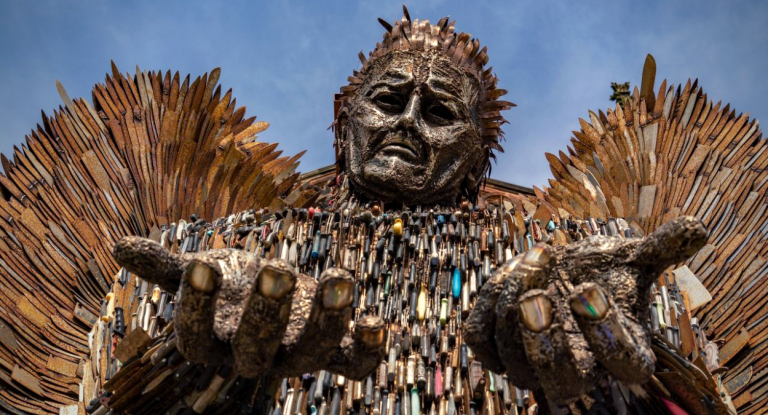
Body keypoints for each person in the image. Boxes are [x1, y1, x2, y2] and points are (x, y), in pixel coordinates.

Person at [0, 6, 758, 415]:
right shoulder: (208, 247)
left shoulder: (577, 255)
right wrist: (185, 366)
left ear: (477, 150)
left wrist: (634, 368)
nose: (407, 125)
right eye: (390, 101)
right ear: (344, 116)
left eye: (439, 113)